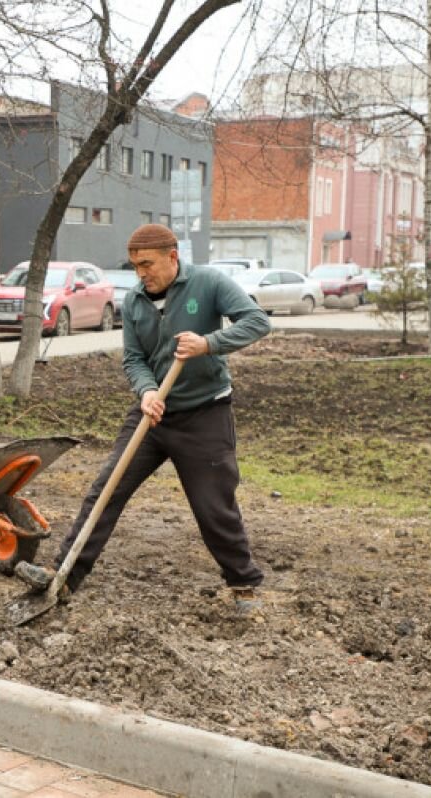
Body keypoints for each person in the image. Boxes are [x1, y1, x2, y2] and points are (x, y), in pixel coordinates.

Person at [16, 224, 272, 615]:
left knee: (212, 504)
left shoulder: (208, 283)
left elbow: (257, 321)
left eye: (147, 264)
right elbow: (134, 359)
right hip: (152, 414)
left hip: (205, 413)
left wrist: (209, 343)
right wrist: (147, 392)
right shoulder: (134, 301)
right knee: (107, 490)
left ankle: (243, 583)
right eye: (135, 265)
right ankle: (64, 576)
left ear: (172, 257)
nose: (141, 273)